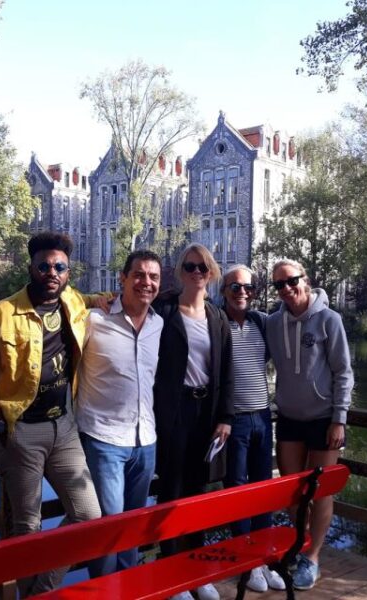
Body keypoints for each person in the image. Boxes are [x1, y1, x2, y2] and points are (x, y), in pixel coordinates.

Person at [0, 231, 102, 597]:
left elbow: (90, 300)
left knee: (88, 516)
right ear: (31, 268)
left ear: (68, 272)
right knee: (27, 528)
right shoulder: (1, 313)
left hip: (64, 428)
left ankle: (42, 591)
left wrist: (114, 299)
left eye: (59, 267)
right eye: (44, 265)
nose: (51, 272)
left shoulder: (72, 301)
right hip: (21, 430)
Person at [265, 259, 354, 591]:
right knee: (291, 491)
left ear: (305, 279)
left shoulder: (330, 320)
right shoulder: (273, 324)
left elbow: (344, 372)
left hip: (323, 420)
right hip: (288, 418)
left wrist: (339, 419)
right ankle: (300, 545)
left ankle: (312, 557)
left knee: (321, 491)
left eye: (291, 281)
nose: (286, 289)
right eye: (279, 285)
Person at [75, 249, 164, 577]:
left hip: (146, 441)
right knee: (107, 529)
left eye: (153, 277)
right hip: (103, 439)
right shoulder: (94, 319)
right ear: (122, 279)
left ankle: (128, 589)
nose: (146, 282)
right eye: (139, 274)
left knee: (133, 529)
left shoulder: (159, 324)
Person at [153, 243, 234, 600]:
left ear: (212, 272)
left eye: (203, 267)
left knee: (198, 492)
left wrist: (225, 418)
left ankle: (196, 570)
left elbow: (227, 372)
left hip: (207, 413)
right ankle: (170, 572)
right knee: (171, 490)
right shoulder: (165, 312)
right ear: (179, 271)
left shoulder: (217, 318)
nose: (197, 273)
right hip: (174, 412)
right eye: (190, 266)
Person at [220, 265, 285, 593]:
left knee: (264, 489)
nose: (242, 293)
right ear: (224, 291)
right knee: (238, 491)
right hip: (235, 422)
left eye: (248, 288)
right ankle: (246, 564)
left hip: (262, 416)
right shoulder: (217, 322)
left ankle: (265, 557)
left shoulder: (262, 321)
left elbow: (294, 320)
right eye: (234, 288)